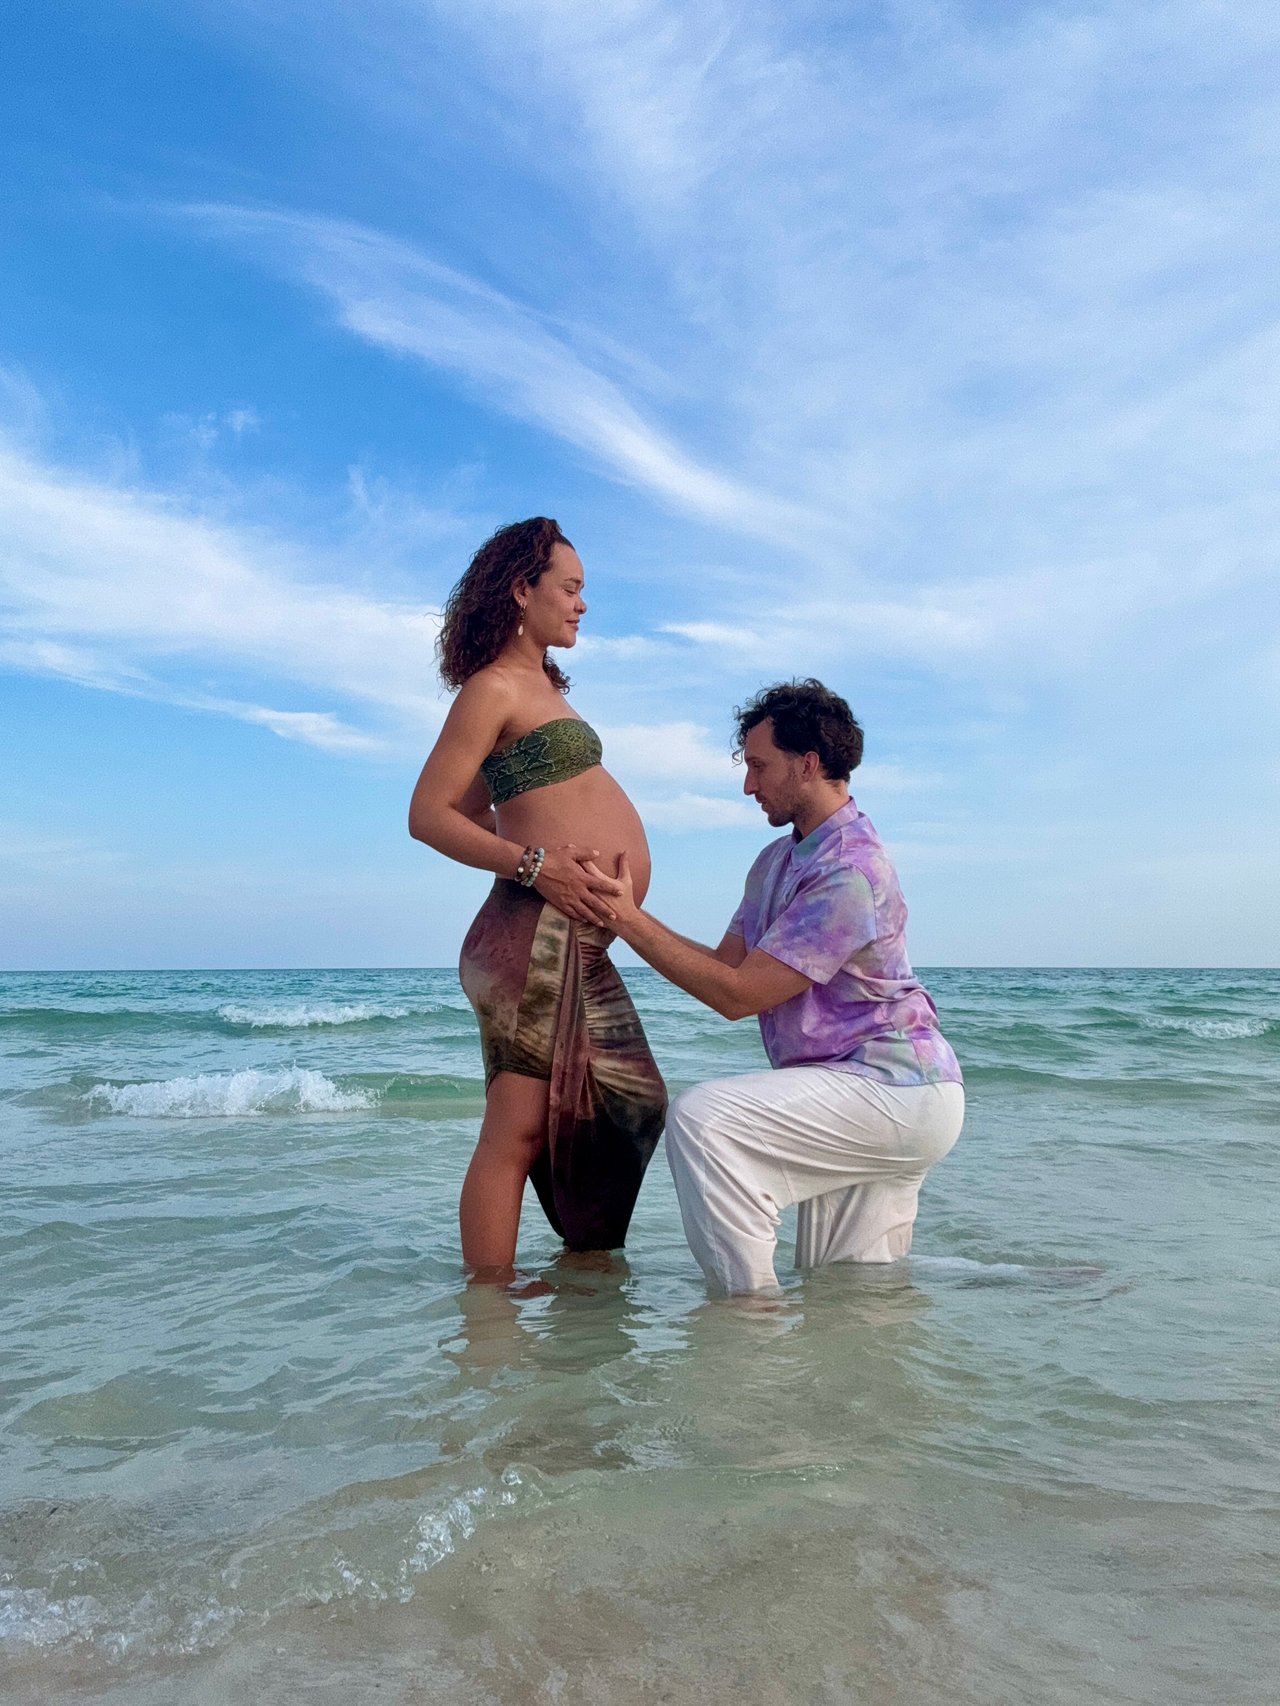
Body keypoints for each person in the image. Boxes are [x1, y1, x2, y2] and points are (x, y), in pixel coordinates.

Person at [604, 679, 964, 1294]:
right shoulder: (775, 862)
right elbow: (726, 967)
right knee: (851, 1294)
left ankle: (749, 1323)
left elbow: (737, 998)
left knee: (703, 1121)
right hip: (867, 1088)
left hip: (894, 1089)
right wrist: (625, 915)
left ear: (809, 764)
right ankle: (1037, 1284)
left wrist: (626, 920)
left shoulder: (850, 869)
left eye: (758, 766)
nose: (748, 785)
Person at [408, 518, 666, 1276]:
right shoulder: (490, 688)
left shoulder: (542, 687)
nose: (583, 604)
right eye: (572, 588)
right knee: (516, 1129)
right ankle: (488, 1319)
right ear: (522, 590)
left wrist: (543, 844)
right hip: (530, 930)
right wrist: (534, 863)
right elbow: (427, 815)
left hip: (570, 934)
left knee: (622, 1106)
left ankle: (581, 1283)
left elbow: (476, 805)